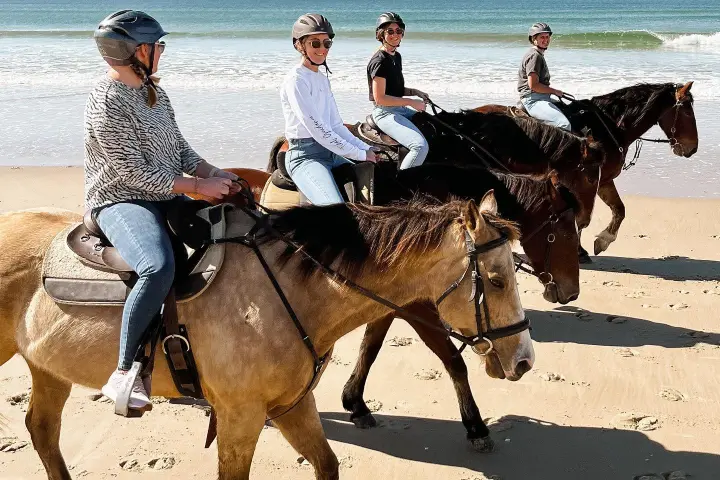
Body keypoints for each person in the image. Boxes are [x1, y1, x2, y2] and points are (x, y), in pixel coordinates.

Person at [87, 10, 240, 410]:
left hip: (167, 193)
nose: (162, 52)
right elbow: (130, 171)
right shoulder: (107, 100)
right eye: (158, 45)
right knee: (156, 266)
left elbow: (179, 148)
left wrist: (214, 172)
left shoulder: (154, 90)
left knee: (237, 234)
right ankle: (124, 373)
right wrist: (196, 187)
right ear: (137, 50)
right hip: (121, 198)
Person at [280, 13, 376, 206]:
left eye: (327, 43)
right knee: (337, 210)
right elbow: (318, 130)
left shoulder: (322, 78)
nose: (322, 49)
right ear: (300, 45)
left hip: (331, 153)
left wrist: (366, 148)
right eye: (315, 43)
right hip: (305, 157)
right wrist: (358, 154)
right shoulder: (296, 80)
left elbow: (335, 126)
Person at [367, 12, 430, 169]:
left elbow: (394, 89)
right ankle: (402, 184)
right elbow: (380, 98)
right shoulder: (379, 61)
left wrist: (415, 92)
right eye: (390, 31)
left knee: (431, 124)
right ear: (381, 34)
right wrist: (412, 102)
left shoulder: (396, 56)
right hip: (385, 113)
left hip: (399, 109)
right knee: (420, 147)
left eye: (399, 31)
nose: (395, 35)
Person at [517, 22, 572, 130]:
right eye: (542, 37)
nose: (546, 40)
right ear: (534, 39)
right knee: (564, 125)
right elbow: (533, 85)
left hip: (541, 97)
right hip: (533, 99)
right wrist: (555, 91)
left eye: (547, 37)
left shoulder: (538, 54)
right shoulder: (535, 56)